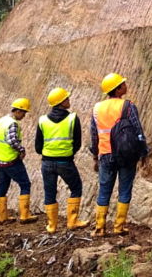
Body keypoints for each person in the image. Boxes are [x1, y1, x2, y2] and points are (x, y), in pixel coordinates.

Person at [89, 73, 149, 237]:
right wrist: (143, 152)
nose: (125, 85)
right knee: (124, 189)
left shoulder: (96, 108)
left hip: (106, 154)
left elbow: (94, 135)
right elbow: (138, 132)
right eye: (123, 84)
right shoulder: (128, 106)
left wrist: (96, 156)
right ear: (117, 89)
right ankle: (118, 227)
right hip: (126, 155)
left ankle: (100, 228)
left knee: (104, 191)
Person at [35, 87, 89, 233]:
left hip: (46, 162)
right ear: (60, 102)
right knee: (76, 187)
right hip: (65, 162)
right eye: (66, 98)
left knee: (50, 192)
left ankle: (52, 226)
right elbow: (77, 143)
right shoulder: (72, 118)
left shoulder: (42, 121)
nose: (68, 100)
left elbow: (38, 147)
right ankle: (72, 221)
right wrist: (67, 153)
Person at [0, 98, 39, 225]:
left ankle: (2, 217)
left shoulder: (2, 120)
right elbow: (12, 140)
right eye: (24, 113)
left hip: (1, 160)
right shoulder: (13, 124)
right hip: (12, 160)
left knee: (2, 187)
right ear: (18, 111)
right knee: (25, 184)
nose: (24, 115)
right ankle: (25, 215)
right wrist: (21, 150)